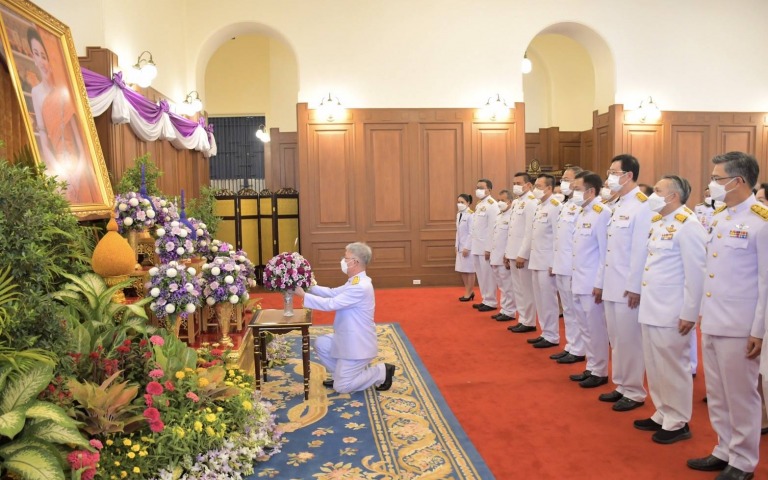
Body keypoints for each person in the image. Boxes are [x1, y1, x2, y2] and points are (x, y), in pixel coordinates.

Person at [688, 152, 767, 480]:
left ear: (739, 181)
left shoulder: (761, 222)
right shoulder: (720, 217)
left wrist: (759, 331)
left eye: (718, 179)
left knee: (741, 396)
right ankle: (723, 448)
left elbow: (766, 281)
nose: (712, 184)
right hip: (715, 319)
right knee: (718, 393)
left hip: (741, 325)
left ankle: (744, 461)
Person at [634, 175, 706, 444]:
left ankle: (678, 421)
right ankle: (662, 411)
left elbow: (696, 273)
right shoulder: (659, 222)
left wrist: (689, 312)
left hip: (672, 311)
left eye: (657, 190)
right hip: (652, 307)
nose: (652, 194)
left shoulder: (689, 225)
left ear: (672, 196)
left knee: (673, 367)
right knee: (654, 364)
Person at [294, 243, 395, 393]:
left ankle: (381, 371)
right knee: (321, 343)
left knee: (341, 387)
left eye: (345, 258)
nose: (343, 260)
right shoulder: (355, 281)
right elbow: (333, 292)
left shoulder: (360, 286)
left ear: (355, 262)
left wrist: (303, 295)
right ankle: (342, 375)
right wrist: (310, 286)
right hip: (347, 337)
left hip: (357, 345)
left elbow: (331, 304)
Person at [599, 154, 653, 412]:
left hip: (627, 286)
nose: (609, 176)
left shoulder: (642, 206)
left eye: (613, 172)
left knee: (630, 339)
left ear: (628, 175)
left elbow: (641, 250)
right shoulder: (618, 204)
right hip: (612, 283)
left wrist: (635, 286)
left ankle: (634, 390)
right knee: (617, 338)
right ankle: (621, 384)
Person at [27, 27, 99, 204]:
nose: (42, 61)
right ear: (33, 57)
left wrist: (78, 171)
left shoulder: (64, 94)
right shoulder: (36, 93)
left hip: (77, 166)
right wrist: (61, 173)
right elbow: (44, 141)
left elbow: (79, 142)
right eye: (37, 54)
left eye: (44, 56)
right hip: (56, 168)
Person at [568, 171, 611, 388]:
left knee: (596, 329)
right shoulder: (582, 212)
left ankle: (600, 370)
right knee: (584, 327)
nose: (572, 192)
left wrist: (600, 283)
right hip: (579, 280)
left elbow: (605, 252)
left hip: (592, 283)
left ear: (590, 190)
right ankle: (591, 366)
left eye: (576, 189)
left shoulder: (601, 212)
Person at [521, 174, 562, 348]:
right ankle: (545, 332)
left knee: (548, 299)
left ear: (549, 189)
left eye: (539, 186)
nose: (535, 189)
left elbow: (558, 237)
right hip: (536, 259)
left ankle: (552, 335)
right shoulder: (540, 206)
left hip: (548, 262)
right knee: (540, 299)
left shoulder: (555, 207)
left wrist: (554, 262)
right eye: (535, 186)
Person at [550, 166, 586, 364]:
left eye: (566, 178)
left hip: (574, 266)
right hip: (562, 264)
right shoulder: (566, 204)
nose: (563, 181)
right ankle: (571, 345)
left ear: (578, 181)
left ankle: (579, 349)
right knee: (569, 310)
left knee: (576, 310)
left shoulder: (582, 206)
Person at [505, 173, 538, 333]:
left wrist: (522, 253)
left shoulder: (531, 203)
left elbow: (530, 231)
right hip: (512, 251)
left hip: (522, 254)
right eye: (514, 183)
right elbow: (512, 230)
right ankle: (522, 318)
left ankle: (529, 321)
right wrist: (507, 252)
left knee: (526, 289)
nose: (515, 186)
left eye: (518, 183)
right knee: (517, 288)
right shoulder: (517, 202)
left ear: (528, 185)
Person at [470, 179, 500, 312]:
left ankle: (491, 301)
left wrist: (489, 248)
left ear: (489, 189)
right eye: (477, 187)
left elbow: (493, 228)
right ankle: (485, 299)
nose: (479, 190)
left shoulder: (492, 204)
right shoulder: (479, 204)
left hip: (485, 247)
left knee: (488, 275)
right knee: (481, 275)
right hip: (476, 245)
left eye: (482, 187)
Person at [488, 189, 517, 322]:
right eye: (498, 200)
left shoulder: (513, 216)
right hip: (496, 256)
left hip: (504, 257)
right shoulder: (499, 216)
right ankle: (504, 308)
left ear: (510, 201)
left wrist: (507, 255)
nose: (500, 203)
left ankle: (510, 311)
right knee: (502, 286)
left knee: (508, 286)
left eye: (503, 200)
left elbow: (512, 238)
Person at [455, 193, 476, 301]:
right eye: (458, 202)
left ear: (468, 203)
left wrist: (467, 247)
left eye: (462, 202)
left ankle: (470, 292)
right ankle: (467, 290)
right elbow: (458, 232)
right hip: (459, 247)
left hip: (468, 248)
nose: (459, 204)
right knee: (462, 270)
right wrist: (456, 246)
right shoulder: (459, 214)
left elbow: (472, 233)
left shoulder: (471, 215)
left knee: (470, 270)